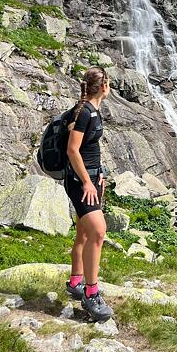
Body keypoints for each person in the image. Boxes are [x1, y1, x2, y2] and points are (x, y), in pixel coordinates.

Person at [64, 66, 113, 322]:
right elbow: (73, 150)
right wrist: (86, 182)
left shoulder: (92, 110)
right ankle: (91, 294)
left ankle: (75, 282)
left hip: (92, 179)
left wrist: (98, 175)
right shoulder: (84, 113)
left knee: (84, 232)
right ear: (103, 86)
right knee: (98, 232)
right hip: (80, 182)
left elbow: (89, 148)